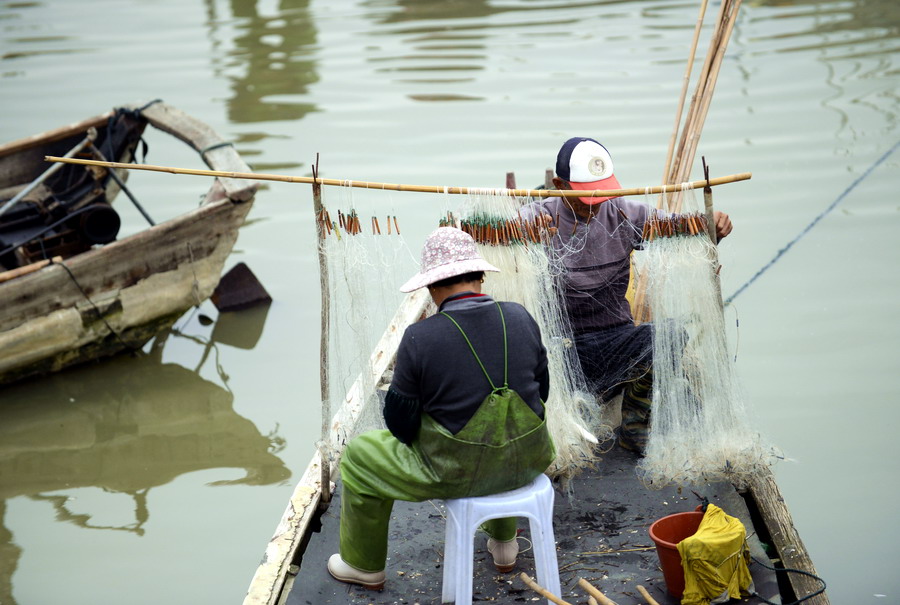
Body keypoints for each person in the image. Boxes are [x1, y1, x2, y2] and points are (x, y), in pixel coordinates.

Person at [327, 226, 556, 590]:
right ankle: (504, 546)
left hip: (455, 472)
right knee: (504, 435)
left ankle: (363, 566)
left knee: (358, 453)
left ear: (432, 288)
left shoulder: (421, 337)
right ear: (480, 277)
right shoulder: (520, 316)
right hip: (528, 458)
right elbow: (541, 392)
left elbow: (400, 425)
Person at [523, 137, 732, 453]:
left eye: (601, 193)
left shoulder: (625, 214)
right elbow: (482, 236)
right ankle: (565, 415)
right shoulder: (537, 219)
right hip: (560, 351)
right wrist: (521, 237)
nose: (595, 204)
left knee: (670, 335)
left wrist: (710, 225)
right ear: (558, 184)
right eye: (583, 197)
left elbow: (680, 228)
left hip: (615, 341)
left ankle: (634, 426)